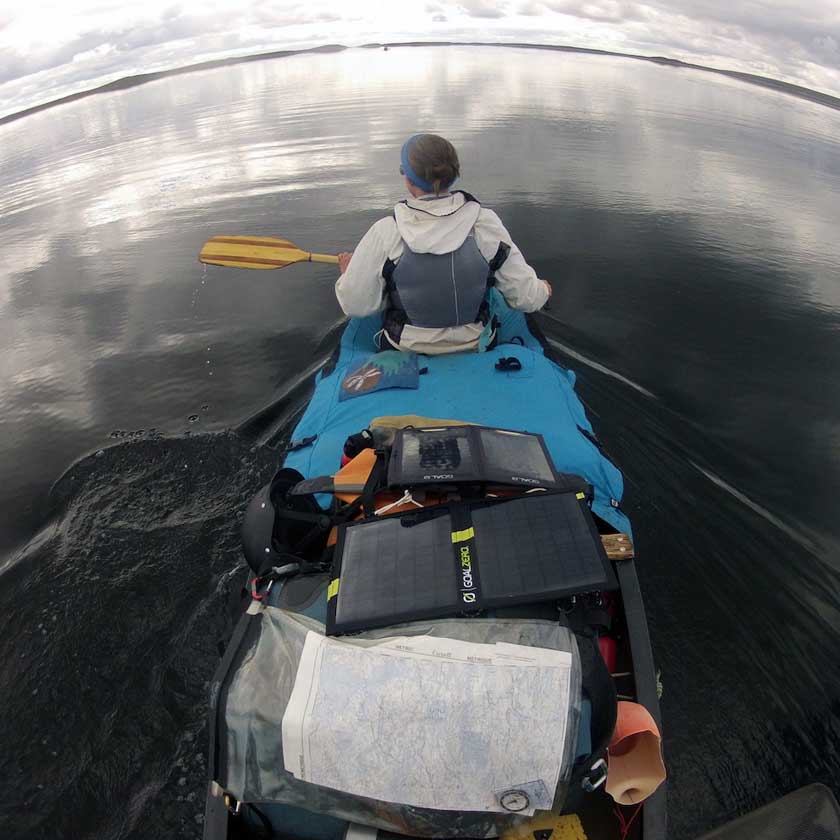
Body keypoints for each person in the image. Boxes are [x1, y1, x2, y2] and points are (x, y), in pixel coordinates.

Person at [335, 133, 552, 354]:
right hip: (477, 344)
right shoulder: (485, 225)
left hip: (404, 347)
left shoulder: (385, 231)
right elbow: (527, 298)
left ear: (408, 179)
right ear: (453, 174)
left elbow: (355, 304)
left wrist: (348, 274)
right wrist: (543, 289)